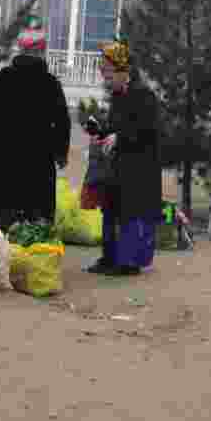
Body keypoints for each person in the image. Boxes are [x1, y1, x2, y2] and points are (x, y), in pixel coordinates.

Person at [0, 16, 71, 231]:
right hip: (39, 162)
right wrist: (61, 153)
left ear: (19, 50)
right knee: (36, 221)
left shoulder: (0, 79)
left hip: (3, 160)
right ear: (41, 52)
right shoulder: (50, 84)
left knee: (2, 216)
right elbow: (62, 122)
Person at [85, 39, 163, 276]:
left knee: (131, 216)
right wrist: (100, 132)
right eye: (103, 72)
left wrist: (120, 137)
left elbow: (147, 129)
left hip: (139, 169)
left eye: (108, 72)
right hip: (118, 167)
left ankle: (128, 263)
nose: (105, 77)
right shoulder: (118, 96)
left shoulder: (143, 95)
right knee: (110, 211)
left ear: (123, 70)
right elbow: (115, 127)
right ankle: (109, 258)